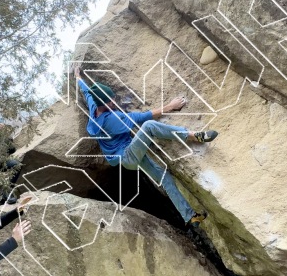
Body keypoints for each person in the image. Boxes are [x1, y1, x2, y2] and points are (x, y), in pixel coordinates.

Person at [74, 67, 218, 227]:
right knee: (149, 126)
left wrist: (78, 76)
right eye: (111, 101)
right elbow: (142, 117)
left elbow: (86, 91)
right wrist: (170, 106)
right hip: (129, 155)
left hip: (129, 156)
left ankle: (190, 216)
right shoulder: (111, 120)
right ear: (104, 104)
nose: (114, 102)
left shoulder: (94, 107)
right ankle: (193, 136)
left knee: (165, 179)